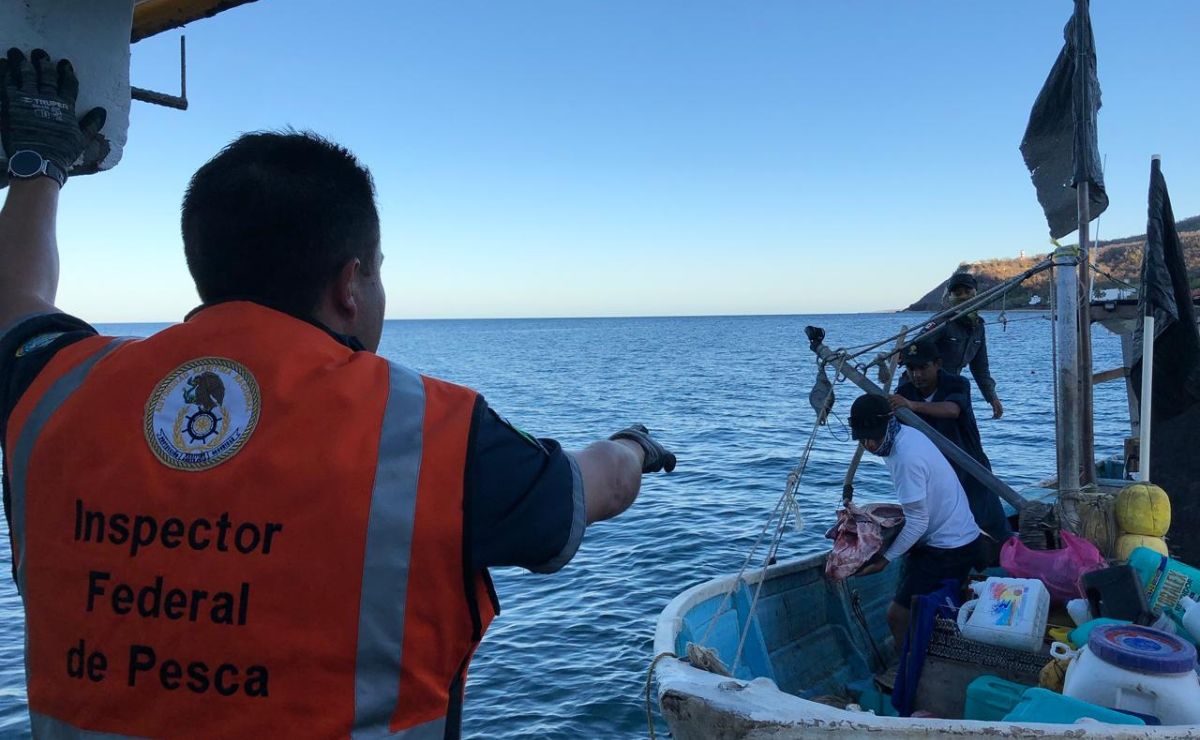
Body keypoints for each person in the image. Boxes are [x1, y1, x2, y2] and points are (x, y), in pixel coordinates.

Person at [0, 49, 675, 738]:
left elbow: (15, 303)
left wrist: (37, 171)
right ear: (350, 284)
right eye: (378, 273)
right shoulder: (430, 433)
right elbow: (597, 486)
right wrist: (635, 445)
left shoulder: (57, 390)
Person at [849, 394, 983, 649]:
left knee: (897, 615)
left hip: (950, 548)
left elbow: (919, 522)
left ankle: (909, 675)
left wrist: (884, 560)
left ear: (889, 421)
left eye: (874, 437)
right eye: (863, 439)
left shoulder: (905, 458)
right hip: (964, 535)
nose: (870, 444)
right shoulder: (908, 435)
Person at [889, 338, 1012, 547]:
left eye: (923, 367)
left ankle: (1009, 560)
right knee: (941, 527)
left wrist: (911, 406)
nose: (917, 375)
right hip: (935, 474)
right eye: (911, 368)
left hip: (969, 465)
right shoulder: (904, 392)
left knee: (991, 521)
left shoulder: (957, 383)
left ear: (937, 364)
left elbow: (952, 410)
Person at [932, 272, 1003, 420]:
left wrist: (992, 398)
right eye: (957, 293)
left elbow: (980, 368)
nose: (963, 296)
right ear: (950, 297)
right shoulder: (941, 322)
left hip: (951, 387)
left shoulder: (978, 327)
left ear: (975, 293)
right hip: (928, 388)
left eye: (967, 292)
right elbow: (915, 347)